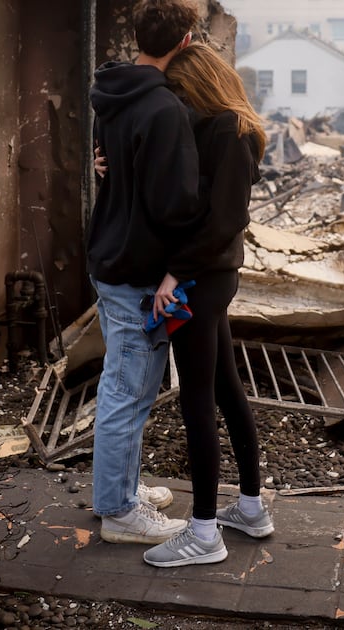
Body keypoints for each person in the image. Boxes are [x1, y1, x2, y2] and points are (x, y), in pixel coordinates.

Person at [139, 43, 273, 568]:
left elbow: (223, 220)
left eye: (176, 88)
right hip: (213, 276)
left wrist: (177, 272)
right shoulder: (218, 128)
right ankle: (250, 508)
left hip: (203, 279)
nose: (172, 98)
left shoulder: (227, 132)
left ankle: (202, 532)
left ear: (196, 84)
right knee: (224, 388)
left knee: (196, 399)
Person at [87, 0, 202, 545]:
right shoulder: (164, 110)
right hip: (138, 272)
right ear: (183, 44)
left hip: (109, 259)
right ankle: (118, 511)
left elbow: (113, 172)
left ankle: (122, 486)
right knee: (128, 392)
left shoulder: (111, 94)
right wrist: (178, 270)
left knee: (123, 384)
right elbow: (175, 205)